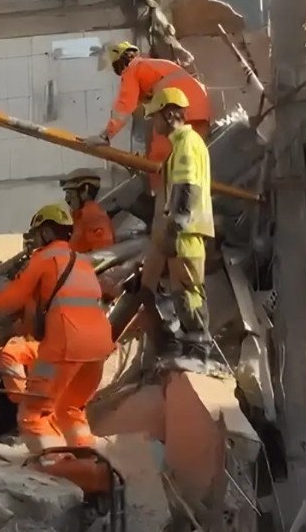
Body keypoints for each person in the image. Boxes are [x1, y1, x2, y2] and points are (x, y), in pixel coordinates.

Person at [0, 204, 114, 453]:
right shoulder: (82, 262)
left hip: (66, 346)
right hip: (98, 349)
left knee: (34, 414)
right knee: (70, 410)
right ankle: (88, 460)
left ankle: (55, 467)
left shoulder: (44, 259)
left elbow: (12, 297)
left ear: (45, 232)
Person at [141, 87, 214, 371]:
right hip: (187, 229)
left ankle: (198, 352)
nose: (154, 123)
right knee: (183, 289)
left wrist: (177, 224)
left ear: (170, 113)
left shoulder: (186, 143)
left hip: (188, 229)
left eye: (156, 116)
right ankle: (191, 349)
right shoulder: (184, 143)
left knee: (188, 289)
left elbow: (187, 186)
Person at [85, 42, 212, 192]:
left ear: (119, 61)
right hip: (199, 110)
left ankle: (160, 197)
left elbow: (125, 106)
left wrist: (106, 135)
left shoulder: (132, 69)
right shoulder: (150, 66)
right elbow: (136, 104)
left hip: (181, 111)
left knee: (159, 157)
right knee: (190, 156)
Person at [59, 168, 115, 253]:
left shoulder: (93, 218)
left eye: (70, 193)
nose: (67, 199)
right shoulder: (79, 216)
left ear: (86, 190)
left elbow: (102, 255)